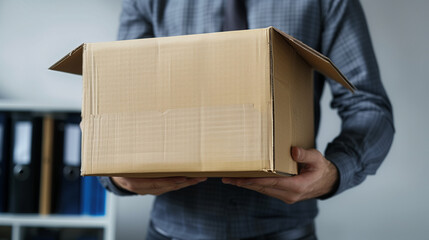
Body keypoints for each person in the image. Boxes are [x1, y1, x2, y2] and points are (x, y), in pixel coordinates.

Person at [99, 0, 395, 239]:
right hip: (174, 228)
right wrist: (115, 174)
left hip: (284, 229)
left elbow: (368, 105)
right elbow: (118, 101)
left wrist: (335, 171)